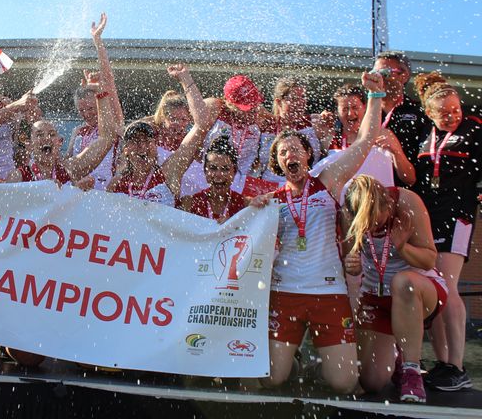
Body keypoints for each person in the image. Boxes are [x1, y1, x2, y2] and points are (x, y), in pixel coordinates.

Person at [252, 70, 386, 394]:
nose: (290, 154)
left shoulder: (328, 180)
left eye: (296, 148)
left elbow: (366, 140)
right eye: (283, 152)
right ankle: (292, 360)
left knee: (344, 383)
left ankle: (319, 362)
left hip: (329, 294)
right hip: (286, 295)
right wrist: (250, 210)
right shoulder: (271, 201)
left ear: (308, 155)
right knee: (272, 378)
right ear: (277, 164)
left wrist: (375, 97)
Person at [343, 175, 446, 403]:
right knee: (371, 382)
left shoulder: (407, 202)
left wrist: (402, 247)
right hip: (376, 295)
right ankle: (396, 358)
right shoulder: (348, 211)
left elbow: (430, 259)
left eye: (376, 219)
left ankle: (412, 370)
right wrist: (352, 265)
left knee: (402, 282)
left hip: (419, 290)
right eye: (366, 223)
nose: (373, 226)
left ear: (386, 203)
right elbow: (350, 259)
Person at [412, 71, 481, 391]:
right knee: (433, 287)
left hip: (459, 215)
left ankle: (457, 364)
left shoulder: (475, 129)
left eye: (457, 109)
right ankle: (442, 364)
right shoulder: (425, 134)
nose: (453, 116)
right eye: (444, 112)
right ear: (429, 113)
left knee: (448, 285)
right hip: (429, 216)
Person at [108, 64, 214, 204]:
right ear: (126, 150)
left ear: (155, 147)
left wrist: (185, 79)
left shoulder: (168, 174)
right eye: (136, 141)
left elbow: (202, 124)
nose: (142, 147)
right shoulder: (116, 182)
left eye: (147, 142)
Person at [6, 69, 119, 189]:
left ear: (59, 143)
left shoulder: (69, 169)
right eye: (39, 134)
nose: (47, 138)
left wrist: (100, 94)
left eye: (52, 134)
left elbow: (106, 138)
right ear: (28, 143)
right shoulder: (17, 177)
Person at [64, 13, 124, 191]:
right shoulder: (78, 131)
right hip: (77, 193)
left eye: (90, 108)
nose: (87, 113)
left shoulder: (113, 122)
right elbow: (66, 162)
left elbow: (108, 80)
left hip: (104, 194)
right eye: (82, 111)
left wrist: (97, 40)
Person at [206, 75, 279, 197]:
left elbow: (280, 123)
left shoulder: (260, 115)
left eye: (254, 105)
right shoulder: (214, 109)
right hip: (214, 178)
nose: (253, 111)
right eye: (247, 108)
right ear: (230, 104)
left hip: (245, 183)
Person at [372, 51, 427, 186]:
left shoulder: (420, 112)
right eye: (375, 72)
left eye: (384, 72)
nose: (378, 77)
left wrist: (396, 151)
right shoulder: (365, 110)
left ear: (403, 76)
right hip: (366, 191)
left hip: (405, 191)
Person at [177, 136, 245, 220]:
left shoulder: (245, 206)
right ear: (205, 171)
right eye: (213, 168)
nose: (218, 174)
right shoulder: (189, 204)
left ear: (234, 172)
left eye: (225, 169)